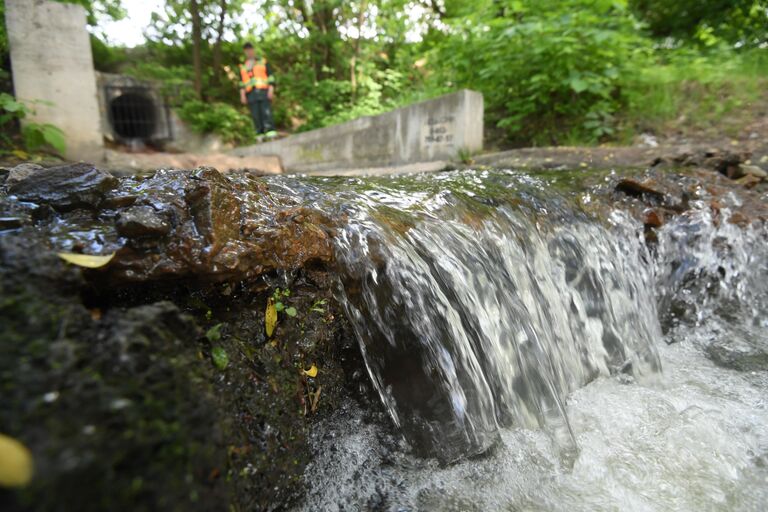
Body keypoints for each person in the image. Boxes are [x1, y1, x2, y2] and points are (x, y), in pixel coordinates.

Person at [239, 42, 277, 139]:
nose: (249, 52)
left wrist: (271, 90)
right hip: (251, 94)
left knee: (266, 112)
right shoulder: (243, 66)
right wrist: (242, 95)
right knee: (255, 114)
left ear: (253, 50)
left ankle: (270, 132)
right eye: (246, 51)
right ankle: (259, 134)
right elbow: (241, 83)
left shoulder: (262, 62)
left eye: (250, 50)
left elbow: (271, 77)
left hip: (264, 91)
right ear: (245, 52)